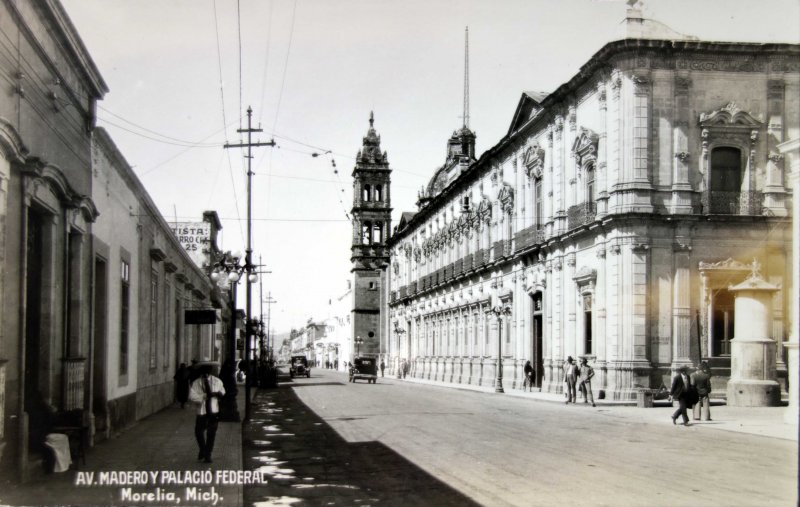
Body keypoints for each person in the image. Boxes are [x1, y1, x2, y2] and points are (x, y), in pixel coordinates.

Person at [189, 364, 226, 463]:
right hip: (202, 411)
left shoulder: (217, 381)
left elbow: (223, 391)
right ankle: (203, 449)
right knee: (199, 432)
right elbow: (192, 396)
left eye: (207, 372)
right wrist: (204, 396)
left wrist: (217, 394)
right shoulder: (196, 383)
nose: (205, 375)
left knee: (211, 434)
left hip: (213, 411)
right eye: (204, 373)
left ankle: (207, 454)